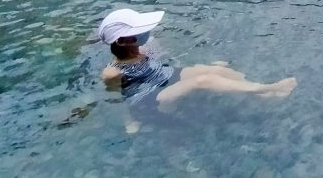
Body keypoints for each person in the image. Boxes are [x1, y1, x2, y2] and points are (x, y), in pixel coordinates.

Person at [97, 8, 296, 120]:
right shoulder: (111, 73)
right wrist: (129, 121)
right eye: (136, 33)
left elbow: (162, 64)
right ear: (121, 41)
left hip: (166, 76)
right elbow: (119, 97)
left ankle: (262, 96)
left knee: (216, 68)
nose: (144, 35)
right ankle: (266, 88)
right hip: (148, 98)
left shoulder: (144, 50)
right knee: (202, 80)